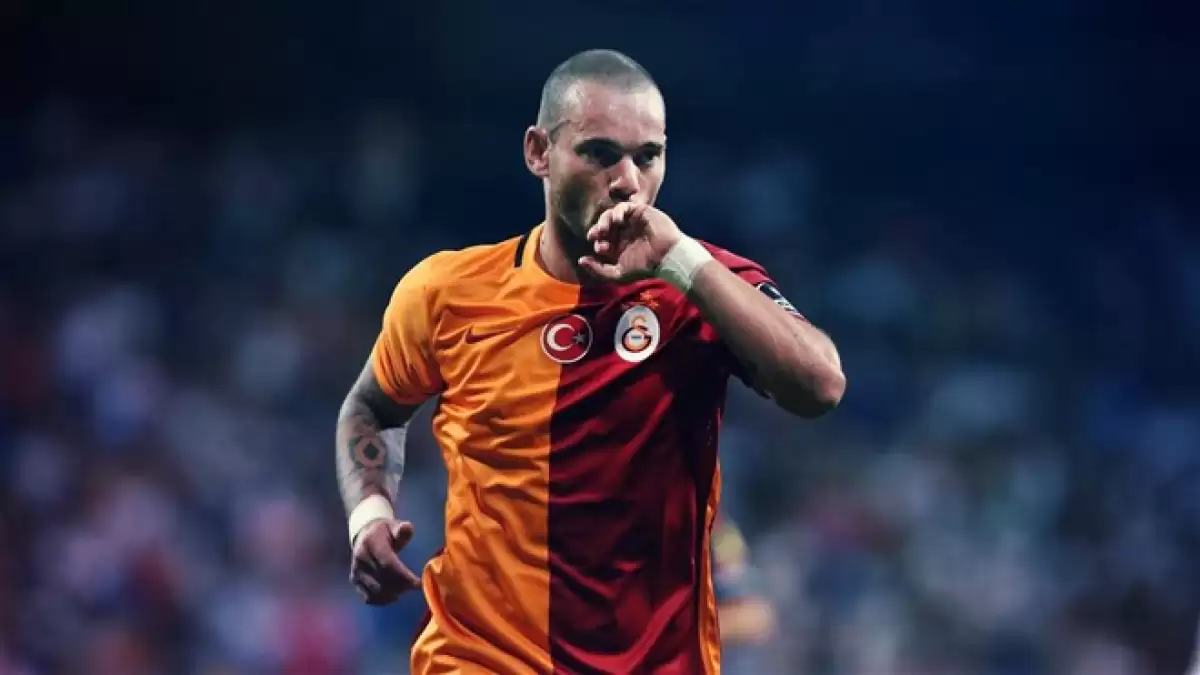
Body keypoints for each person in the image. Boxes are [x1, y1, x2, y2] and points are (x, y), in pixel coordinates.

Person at [335, 48, 844, 674]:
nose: (627, 180)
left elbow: (820, 385)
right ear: (538, 152)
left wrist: (684, 262)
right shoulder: (447, 292)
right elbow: (372, 407)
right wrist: (369, 515)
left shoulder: (703, 285)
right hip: (482, 658)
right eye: (600, 153)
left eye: (647, 157)